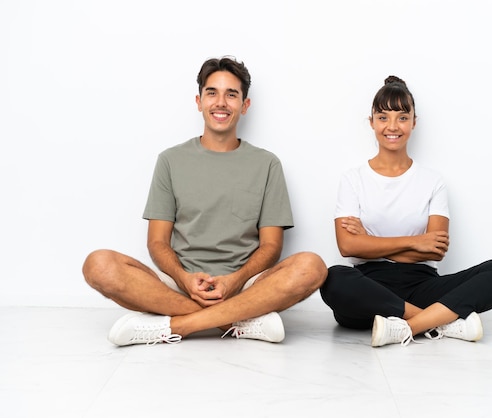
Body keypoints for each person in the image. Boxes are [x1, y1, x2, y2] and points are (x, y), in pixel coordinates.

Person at [83, 56, 327, 346]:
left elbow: (271, 246)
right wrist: (184, 278)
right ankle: (238, 321)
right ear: (199, 101)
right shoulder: (170, 161)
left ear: (244, 105)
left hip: (246, 287)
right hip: (178, 286)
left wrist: (236, 279)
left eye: (231, 94)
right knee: (97, 265)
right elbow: (157, 242)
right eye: (212, 93)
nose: (220, 103)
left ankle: (178, 325)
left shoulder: (267, 164)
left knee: (312, 267)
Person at [320, 75, 492, 347]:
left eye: (402, 117)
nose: (392, 126)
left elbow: (436, 250)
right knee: (334, 277)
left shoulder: (432, 181)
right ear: (371, 122)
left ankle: (409, 326)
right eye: (383, 117)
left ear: (414, 122)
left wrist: (369, 241)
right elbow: (347, 246)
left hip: (423, 285)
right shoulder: (353, 179)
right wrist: (416, 242)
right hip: (369, 287)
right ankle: (441, 322)